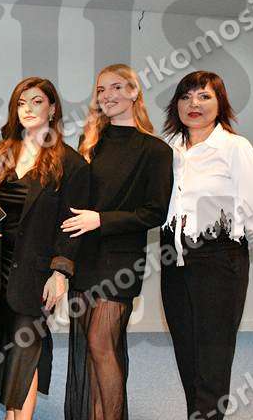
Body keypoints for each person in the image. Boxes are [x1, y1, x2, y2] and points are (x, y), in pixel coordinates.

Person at [160, 71, 253, 420]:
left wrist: (230, 248)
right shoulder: (168, 148)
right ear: (176, 105)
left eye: (204, 96)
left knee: (212, 360)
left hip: (219, 261)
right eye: (186, 97)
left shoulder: (234, 148)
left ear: (220, 103)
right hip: (172, 260)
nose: (193, 104)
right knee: (187, 355)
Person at [62, 64, 173, 420]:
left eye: (116, 87)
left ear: (134, 92)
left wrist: (101, 220)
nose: (107, 95)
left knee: (101, 342)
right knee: (93, 350)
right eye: (100, 90)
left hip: (121, 260)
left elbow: (155, 212)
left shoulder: (155, 150)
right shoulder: (89, 144)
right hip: (85, 256)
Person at [0, 77, 90, 420]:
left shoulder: (70, 163)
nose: (27, 109)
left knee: (25, 347)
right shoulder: (0, 154)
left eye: (37, 101)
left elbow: (71, 225)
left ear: (52, 108)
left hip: (37, 271)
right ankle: (11, 413)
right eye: (21, 103)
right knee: (3, 347)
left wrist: (60, 273)